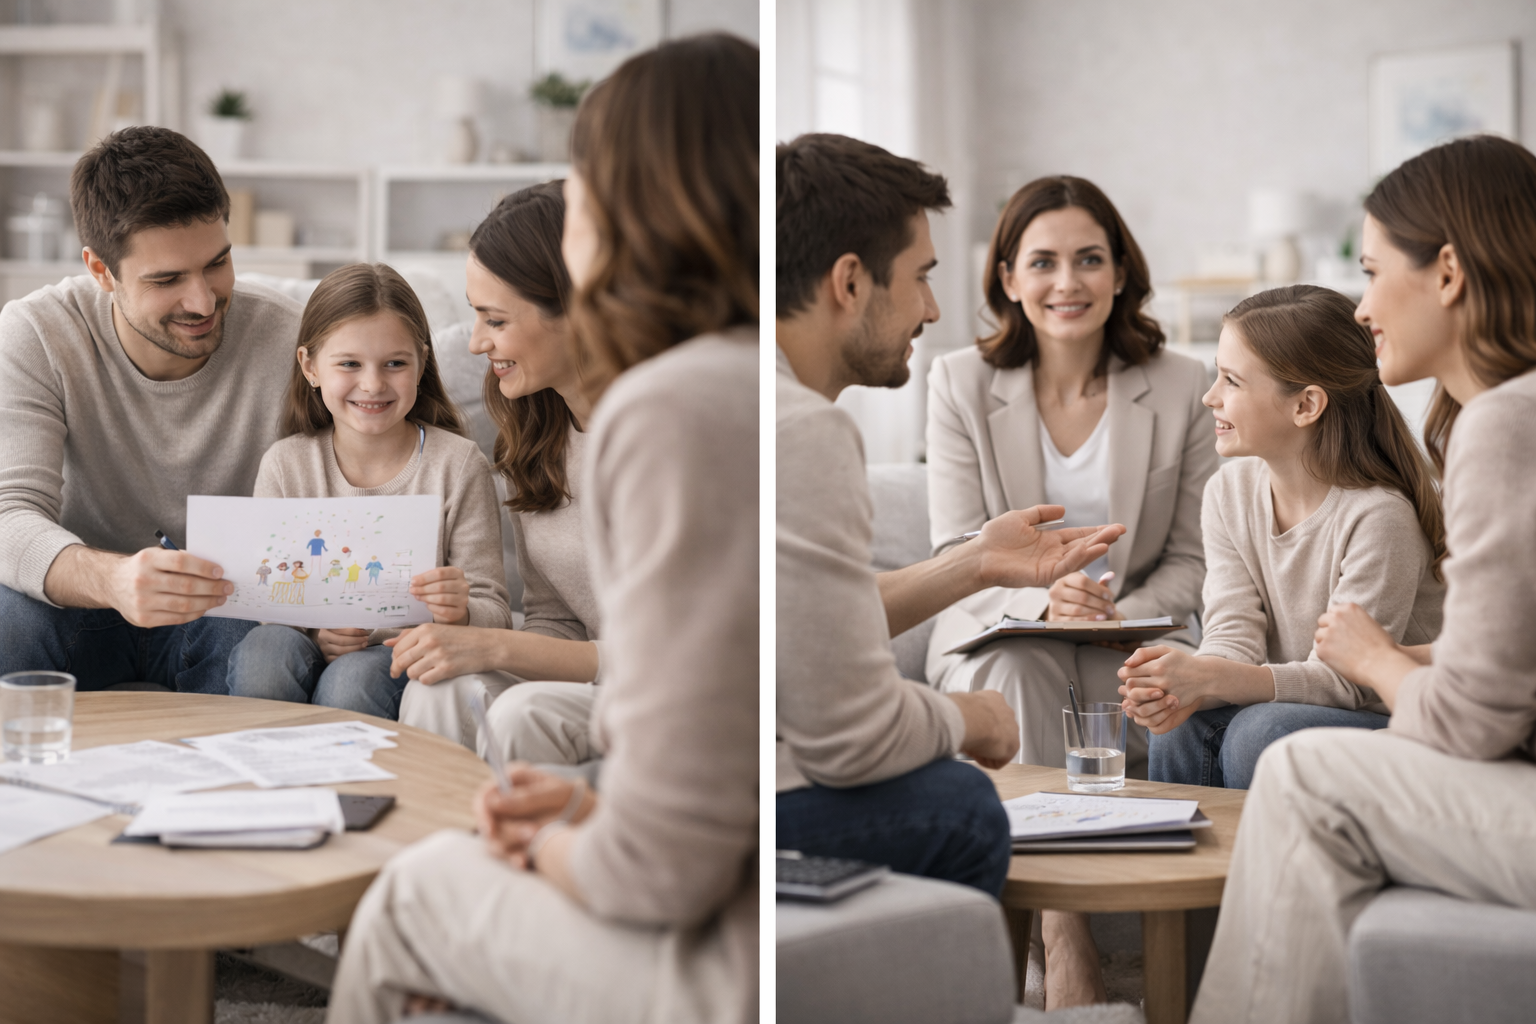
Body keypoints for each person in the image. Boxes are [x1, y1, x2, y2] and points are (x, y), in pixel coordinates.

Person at [328, 32, 758, 1024]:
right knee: (489, 742)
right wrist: (577, 812)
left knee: (416, 887)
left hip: (723, 957)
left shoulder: (668, 414)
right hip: (706, 865)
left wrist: (548, 847)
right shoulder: (740, 392)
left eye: (587, 188)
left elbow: (662, 866)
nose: (472, 346)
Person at [1188, 135, 1536, 1024]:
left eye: (1374, 272)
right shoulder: (1495, 421)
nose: (1364, 307)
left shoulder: (1504, 426)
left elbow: (1470, 723)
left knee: (1299, 762)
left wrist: (1379, 660)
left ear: (1449, 272)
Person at [776, 133, 1125, 899]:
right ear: (849, 282)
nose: (933, 308)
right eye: (921, 277)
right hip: (730, 800)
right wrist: (968, 720)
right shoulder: (800, 429)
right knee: (962, 806)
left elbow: (798, 619)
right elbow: (852, 738)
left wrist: (974, 561)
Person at [926, 175, 1219, 775]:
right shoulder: (958, 382)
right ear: (1009, 279)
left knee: (1131, 681)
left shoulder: (1185, 384)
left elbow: (1194, 556)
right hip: (998, 629)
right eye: (1043, 262)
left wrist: (1118, 615)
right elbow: (954, 549)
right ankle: (1031, 851)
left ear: (1118, 273)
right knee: (1018, 667)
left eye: (1088, 260)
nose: (1067, 282)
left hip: (1134, 626)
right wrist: (1043, 605)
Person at [0, 126, 301, 692]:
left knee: (267, 646)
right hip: (74, 606)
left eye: (217, 263)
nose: (204, 301)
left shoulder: (289, 339)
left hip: (223, 614)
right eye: (167, 279)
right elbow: (8, 514)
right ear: (100, 271)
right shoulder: (36, 333)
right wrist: (113, 578)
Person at [1120, 284, 1444, 787]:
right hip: (1300, 705)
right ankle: (1183, 864)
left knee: (1262, 731)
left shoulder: (1379, 517)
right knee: (1178, 727)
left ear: (1306, 405)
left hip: (1396, 720)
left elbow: (1348, 681)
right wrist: (1184, 685)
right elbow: (1232, 632)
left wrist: (1212, 678)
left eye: (1231, 381)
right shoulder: (1229, 492)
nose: (1210, 397)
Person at [224, 263, 511, 719]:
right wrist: (318, 633)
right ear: (310, 366)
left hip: (398, 652)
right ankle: (267, 778)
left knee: (352, 678)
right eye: (349, 364)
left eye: (395, 364)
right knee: (265, 650)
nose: (373, 384)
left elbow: (495, 611)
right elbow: (272, 603)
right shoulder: (285, 464)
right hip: (304, 644)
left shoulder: (457, 465)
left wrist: (458, 611)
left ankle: (349, 786)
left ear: (421, 364)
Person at [392, 182, 608, 763]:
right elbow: (556, 621)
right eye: (475, 317)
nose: (477, 343)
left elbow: (678, 653)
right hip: (601, 685)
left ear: (576, 309)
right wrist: (457, 643)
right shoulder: (539, 436)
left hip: (682, 693)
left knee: (521, 714)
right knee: (437, 691)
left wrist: (487, 643)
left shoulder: (668, 440)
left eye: (495, 319)